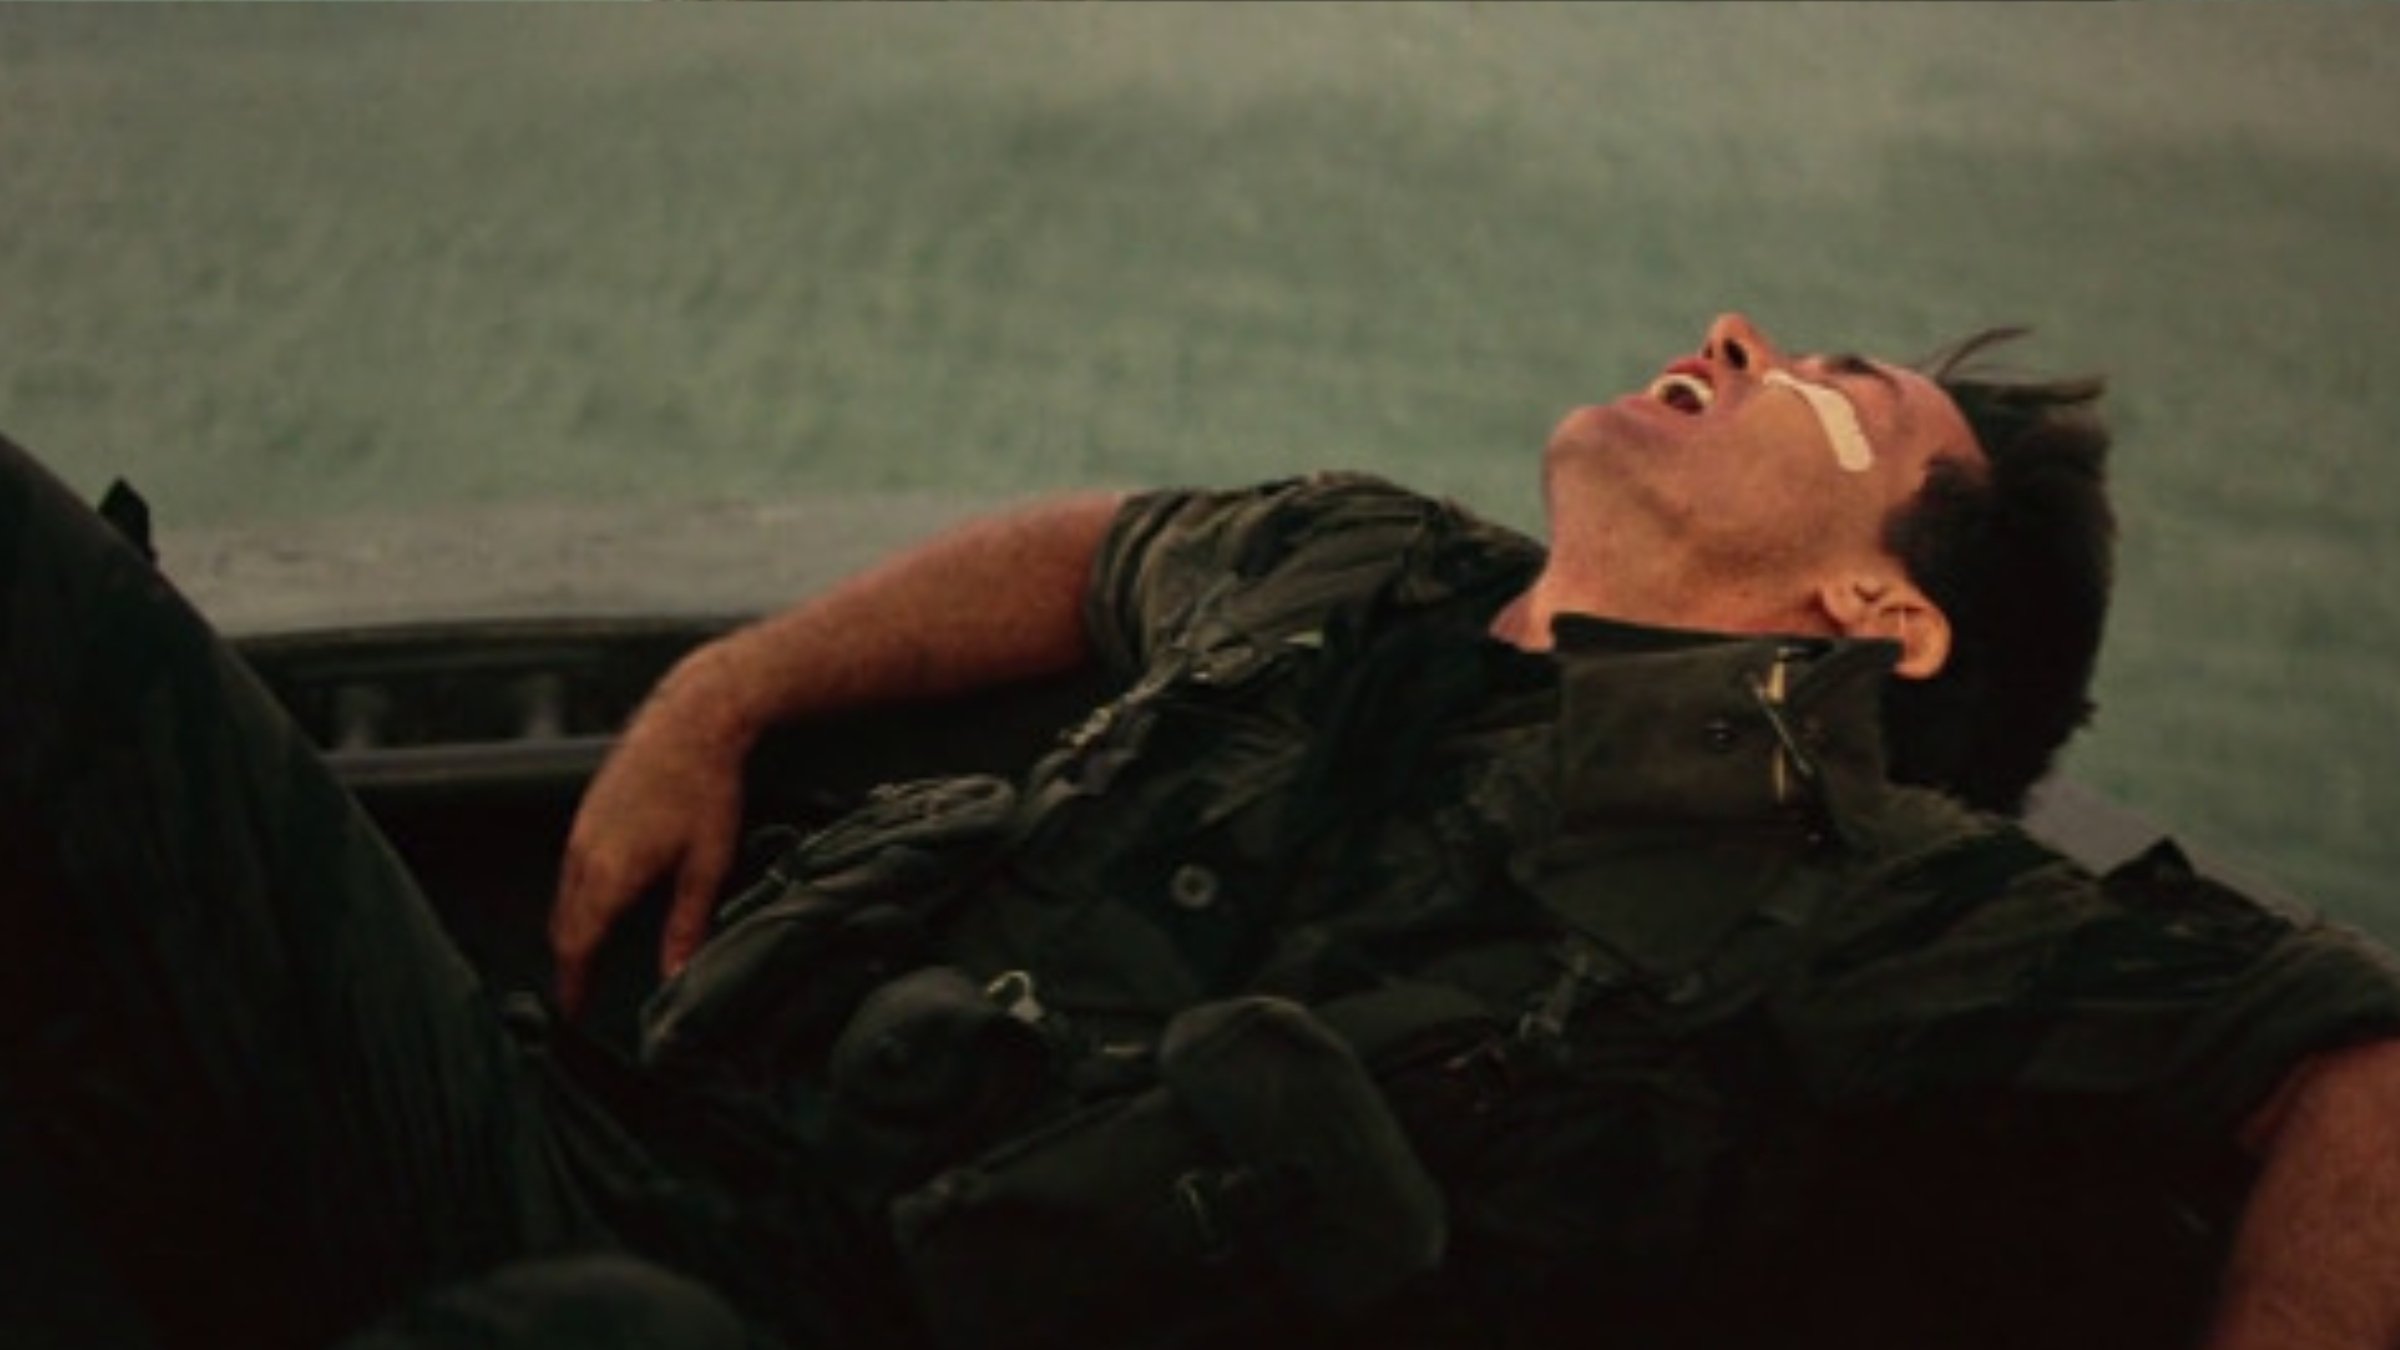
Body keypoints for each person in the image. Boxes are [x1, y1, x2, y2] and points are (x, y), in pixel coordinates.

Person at [4, 313, 2397, 1350]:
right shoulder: (1362, 559)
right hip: (575, 1131)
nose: (1743, 342)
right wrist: (724, 692)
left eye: (1838, 394)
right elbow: (1088, 552)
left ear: (1880, 610)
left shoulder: (1859, 880)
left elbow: (2350, 1067)